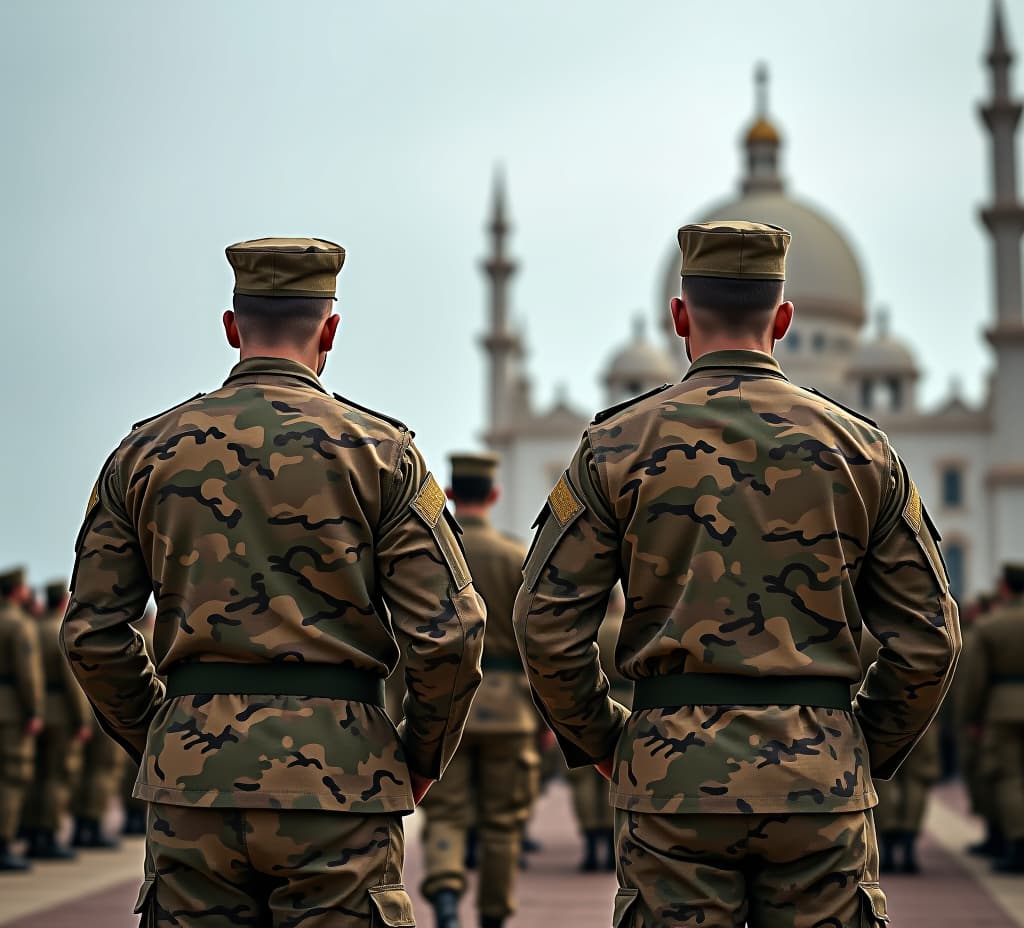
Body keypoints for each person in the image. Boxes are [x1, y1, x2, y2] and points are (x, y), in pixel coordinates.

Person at [513, 221, 961, 927]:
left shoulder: (614, 446)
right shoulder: (862, 450)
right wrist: (852, 746)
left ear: (680, 316)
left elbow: (544, 622)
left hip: (671, 781)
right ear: (783, 320)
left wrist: (607, 742)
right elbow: (931, 636)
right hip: (821, 781)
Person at [61, 237, 486, 926]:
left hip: (193, 786)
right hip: (343, 781)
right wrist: (418, 756)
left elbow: (90, 632)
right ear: (330, 330)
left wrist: (167, 736)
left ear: (232, 328)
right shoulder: (381, 454)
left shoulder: (145, 454)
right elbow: (451, 632)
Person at [420, 452, 538, 928]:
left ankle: (446, 894)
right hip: (510, 706)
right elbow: (539, 639)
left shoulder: (435, 556)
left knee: (445, 812)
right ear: (493, 495)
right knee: (502, 821)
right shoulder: (516, 558)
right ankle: (492, 914)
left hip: (447, 701)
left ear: (450, 494)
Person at [958, 563, 1024, 872]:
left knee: (1009, 778)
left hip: (1003, 709)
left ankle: (1017, 846)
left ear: (1005, 588)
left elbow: (976, 681)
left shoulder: (990, 626)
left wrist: (972, 718)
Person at [20, 581, 92, 859]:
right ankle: (47, 835)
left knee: (35, 776)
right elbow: (71, 681)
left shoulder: (33, 626)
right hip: (60, 712)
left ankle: (31, 830)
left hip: (33, 711)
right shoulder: (60, 632)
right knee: (57, 777)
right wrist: (82, 719)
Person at [859, 632, 940, 874]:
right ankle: (909, 838)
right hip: (923, 713)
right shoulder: (927, 630)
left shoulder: (864, 633)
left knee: (878, 777)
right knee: (917, 778)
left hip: (877, 713)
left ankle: (887, 834)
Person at [566, 585, 628, 872]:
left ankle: (590, 842)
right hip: (630, 701)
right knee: (615, 776)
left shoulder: (594, 631)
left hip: (594, 700)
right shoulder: (628, 628)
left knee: (584, 781)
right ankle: (610, 843)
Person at [0, 566, 44, 872]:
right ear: (17, 590)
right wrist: (34, 711)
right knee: (13, 777)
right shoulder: (19, 624)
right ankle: (3, 843)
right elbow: (28, 676)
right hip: (12, 710)